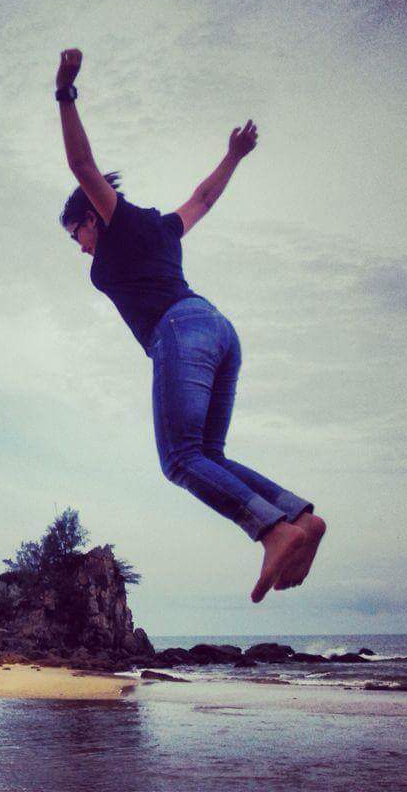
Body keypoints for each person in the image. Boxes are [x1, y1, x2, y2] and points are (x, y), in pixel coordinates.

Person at [55, 49, 325, 603]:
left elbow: (82, 165)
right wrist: (234, 155)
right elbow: (204, 198)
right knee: (208, 456)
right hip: (219, 329)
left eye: (75, 234)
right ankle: (298, 516)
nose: (79, 246)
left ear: (90, 218)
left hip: (178, 331)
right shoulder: (161, 227)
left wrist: (65, 91)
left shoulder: (120, 221)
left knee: (179, 460)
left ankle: (273, 531)